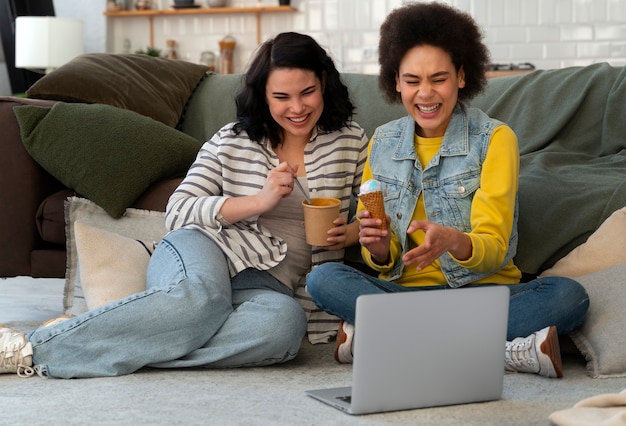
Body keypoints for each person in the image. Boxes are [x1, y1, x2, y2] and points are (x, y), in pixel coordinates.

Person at [0, 32, 368, 379]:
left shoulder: (351, 141)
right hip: (203, 250)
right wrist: (259, 201)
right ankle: (32, 349)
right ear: (263, 96)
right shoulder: (232, 139)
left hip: (268, 286)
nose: (298, 108)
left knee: (284, 328)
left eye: (308, 92)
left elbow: (369, 217)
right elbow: (179, 210)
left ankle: (117, 342)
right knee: (201, 299)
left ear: (324, 83)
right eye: (282, 97)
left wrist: (347, 233)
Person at [306, 3, 589, 378]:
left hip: (481, 295)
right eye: (412, 80)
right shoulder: (383, 142)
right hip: (405, 296)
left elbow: (494, 248)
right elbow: (385, 253)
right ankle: (497, 349)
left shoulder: (494, 139)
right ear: (396, 82)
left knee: (570, 297)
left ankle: (386, 339)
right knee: (323, 279)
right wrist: (376, 249)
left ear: (460, 76)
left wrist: (454, 241)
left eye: (438, 78)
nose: (425, 94)